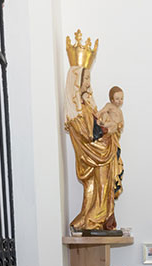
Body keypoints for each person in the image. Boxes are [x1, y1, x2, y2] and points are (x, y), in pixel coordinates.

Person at [64, 66, 121, 231]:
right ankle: (94, 221)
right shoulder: (76, 111)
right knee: (100, 185)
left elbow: (97, 122)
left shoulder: (86, 105)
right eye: (86, 79)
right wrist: (107, 131)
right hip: (95, 152)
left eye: (89, 79)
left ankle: (93, 220)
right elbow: (86, 134)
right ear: (77, 82)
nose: (89, 84)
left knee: (100, 186)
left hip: (102, 149)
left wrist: (107, 125)